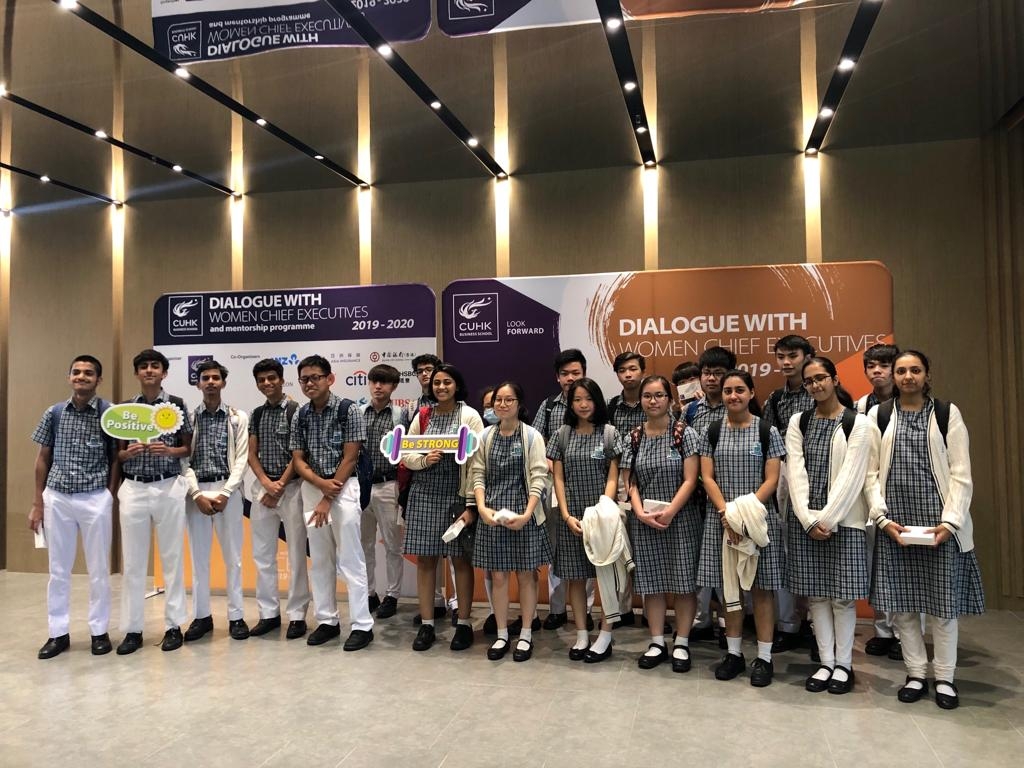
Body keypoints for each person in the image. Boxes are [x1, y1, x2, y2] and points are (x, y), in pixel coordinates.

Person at [866, 350, 984, 710]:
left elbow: (961, 473)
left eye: (915, 370)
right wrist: (882, 519)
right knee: (903, 608)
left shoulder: (947, 414)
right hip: (896, 525)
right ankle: (915, 673)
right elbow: (869, 473)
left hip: (939, 526)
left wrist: (950, 522)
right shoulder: (879, 415)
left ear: (926, 374)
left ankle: (945, 678)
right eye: (901, 370)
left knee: (943, 609)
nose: (908, 376)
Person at [785, 357, 873, 694]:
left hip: (844, 522)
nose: (815, 385)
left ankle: (844, 666)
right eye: (809, 381)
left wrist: (827, 519)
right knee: (817, 597)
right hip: (806, 521)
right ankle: (825, 663)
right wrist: (808, 520)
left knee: (842, 599)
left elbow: (853, 477)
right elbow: (795, 473)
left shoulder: (857, 423)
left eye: (821, 378)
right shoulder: (799, 421)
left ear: (834, 380)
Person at [698, 369, 786, 686]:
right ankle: (734, 654)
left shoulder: (767, 431)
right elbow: (707, 477)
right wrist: (728, 514)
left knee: (762, 591)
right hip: (721, 521)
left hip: (758, 520)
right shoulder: (711, 431)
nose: (733, 396)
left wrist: (743, 515)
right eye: (728, 391)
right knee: (729, 590)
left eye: (739, 390)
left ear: (751, 393)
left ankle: (764, 658)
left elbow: (772, 479)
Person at [30, 355, 119, 659]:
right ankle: (58, 633)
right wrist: (38, 502)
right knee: (58, 570)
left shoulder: (109, 414)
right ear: (69, 377)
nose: (82, 377)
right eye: (77, 372)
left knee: (99, 569)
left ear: (98, 380)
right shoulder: (54, 413)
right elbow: (42, 458)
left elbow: (116, 458)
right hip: (57, 498)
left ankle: (99, 632)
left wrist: (109, 495)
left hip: (95, 497)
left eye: (88, 373)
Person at [289, 355, 375, 651]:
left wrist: (328, 496)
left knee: (351, 559)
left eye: (315, 377)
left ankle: (362, 625)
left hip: (344, 487)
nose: (310, 383)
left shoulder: (348, 410)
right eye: (304, 379)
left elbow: (350, 457)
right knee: (320, 558)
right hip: (314, 487)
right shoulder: (301, 414)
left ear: (329, 379)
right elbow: (298, 459)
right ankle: (327, 620)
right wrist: (318, 484)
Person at [115, 349, 193, 655]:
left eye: (155, 366)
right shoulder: (125, 409)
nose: (149, 370)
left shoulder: (176, 405)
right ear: (137, 373)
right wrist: (127, 454)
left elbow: (187, 448)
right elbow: (118, 453)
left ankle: (174, 626)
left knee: (172, 559)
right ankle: (133, 630)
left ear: (164, 372)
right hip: (133, 488)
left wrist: (170, 451)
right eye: (144, 366)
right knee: (133, 563)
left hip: (168, 486)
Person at [623, 375, 703, 672]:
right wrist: (639, 511)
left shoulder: (684, 433)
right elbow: (629, 481)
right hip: (644, 521)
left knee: (683, 584)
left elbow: (691, 479)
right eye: (647, 396)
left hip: (681, 520)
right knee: (652, 583)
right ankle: (657, 641)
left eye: (659, 395)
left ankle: (681, 642)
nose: (653, 401)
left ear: (669, 399)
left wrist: (670, 511)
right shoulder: (633, 437)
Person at [402, 363, 484, 652]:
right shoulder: (423, 415)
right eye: (436, 383)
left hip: (456, 496)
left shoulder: (469, 416)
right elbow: (406, 453)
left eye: (447, 382)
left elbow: (477, 461)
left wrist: (471, 503)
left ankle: (464, 623)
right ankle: (427, 624)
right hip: (424, 494)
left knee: (460, 560)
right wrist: (423, 460)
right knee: (426, 560)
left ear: (456, 385)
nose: (440, 387)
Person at [470, 382, 551, 662]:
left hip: (524, 513)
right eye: (498, 400)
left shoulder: (531, 436)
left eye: (508, 400)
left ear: (519, 403)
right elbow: (477, 473)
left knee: (527, 575)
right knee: (498, 576)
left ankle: (526, 633)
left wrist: (527, 514)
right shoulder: (485, 436)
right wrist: (482, 508)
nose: (502, 405)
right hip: (492, 514)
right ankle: (502, 633)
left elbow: (539, 477)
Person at [548, 377, 622, 662]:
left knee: (606, 578)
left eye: (588, 399)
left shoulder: (609, 433)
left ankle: (605, 636)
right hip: (572, 519)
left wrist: (602, 510)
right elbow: (558, 478)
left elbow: (613, 476)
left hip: (602, 517)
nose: (583, 404)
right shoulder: (562, 435)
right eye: (577, 399)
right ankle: (581, 634)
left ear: (597, 401)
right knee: (575, 578)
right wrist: (566, 515)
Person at [183, 360, 251, 642]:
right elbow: (183, 460)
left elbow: (242, 458)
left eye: (215, 377)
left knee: (233, 558)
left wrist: (226, 492)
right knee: (199, 559)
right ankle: (202, 617)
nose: (210, 382)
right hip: (196, 492)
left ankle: (236, 616)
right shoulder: (188, 419)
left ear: (223, 382)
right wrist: (196, 493)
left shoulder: (237, 417)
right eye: (205, 378)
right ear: (198, 383)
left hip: (228, 491)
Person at [246, 359, 309, 640]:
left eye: (272, 378)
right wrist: (265, 484)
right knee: (262, 555)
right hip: (263, 489)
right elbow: (251, 453)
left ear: (282, 380)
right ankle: (268, 614)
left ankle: (297, 615)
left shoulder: (296, 411)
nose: (267, 383)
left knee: (296, 554)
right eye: (261, 380)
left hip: (292, 490)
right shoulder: (257, 414)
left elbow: (299, 455)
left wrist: (279, 486)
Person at [762, 335, 816, 654]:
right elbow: (767, 441)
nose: (786, 362)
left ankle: (815, 624)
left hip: (818, 477)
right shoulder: (775, 399)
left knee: (815, 550)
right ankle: (788, 624)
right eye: (780, 356)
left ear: (807, 356)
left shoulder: (821, 392)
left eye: (792, 355)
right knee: (783, 550)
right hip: (782, 479)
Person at [532, 348, 591, 631]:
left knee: (587, 547)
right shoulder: (548, 407)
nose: (570, 378)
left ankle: (586, 610)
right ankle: (557, 609)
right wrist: (550, 462)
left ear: (584, 373)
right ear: (557, 377)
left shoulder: (594, 403)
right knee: (555, 547)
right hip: (553, 486)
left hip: (588, 486)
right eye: (565, 374)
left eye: (575, 373)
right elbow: (535, 441)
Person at [855, 342, 906, 660]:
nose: (877, 371)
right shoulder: (861, 406)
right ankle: (884, 631)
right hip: (871, 492)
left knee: (906, 565)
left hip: (905, 490)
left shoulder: (912, 403)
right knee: (877, 564)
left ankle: (905, 634)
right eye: (871, 365)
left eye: (884, 365)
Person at [683, 346, 736, 646]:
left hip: (728, 496)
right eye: (707, 373)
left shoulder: (736, 406)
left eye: (718, 373)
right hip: (695, 497)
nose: (712, 379)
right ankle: (701, 619)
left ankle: (730, 623)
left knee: (728, 560)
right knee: (698, 558)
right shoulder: (691, 411)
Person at [405, 352, 448, 625]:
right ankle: (431, 609)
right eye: (420, 371)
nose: (425, 375)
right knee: (427, 553)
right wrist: (422, 460)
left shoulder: (462, 411)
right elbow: (405, 447)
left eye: (429, 370)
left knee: (457, 556)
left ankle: (457, 607)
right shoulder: (414, 409)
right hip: (422, 485)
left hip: (452, 486)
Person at [361, 364, 406, 620]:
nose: (378, 386)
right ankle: (369, 593)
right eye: (374, 381)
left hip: (389, 485)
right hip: (360, 486)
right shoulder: (357, 413)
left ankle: (392, 595)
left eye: (384, 382)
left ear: (394, 386)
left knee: (392, 545)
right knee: (364, 544)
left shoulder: (401, 415)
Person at [607, 352, 647, 627]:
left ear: (642, 371)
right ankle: (623, 609)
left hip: (652, 478)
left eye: (633, 369)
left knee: (647, 546)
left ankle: (651, 610)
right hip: (619, 481)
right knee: (620, 547)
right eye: (623, 370)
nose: (628, 374)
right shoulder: (611, 407)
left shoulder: (654, 400)